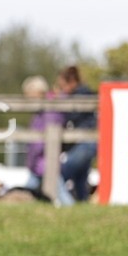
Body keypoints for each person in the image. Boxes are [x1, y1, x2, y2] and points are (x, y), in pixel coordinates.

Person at [20, 75, 72, 206]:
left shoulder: (49, 110)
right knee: (29, 193)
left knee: (59, 193)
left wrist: (34, 158)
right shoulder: (42, 111)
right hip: (39, 163)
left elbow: (41, 141)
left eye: (29, 94)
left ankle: (74, 211)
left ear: (38, 93)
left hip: (44, 162)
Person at [56, 65, 98, 202]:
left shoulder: (79, 97)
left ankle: (66, 203)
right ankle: (82, 203)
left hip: (85, 143)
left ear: (72, 82)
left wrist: (59, 100)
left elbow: (70, 116)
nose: (62, 90)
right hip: (86, 143)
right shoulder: (85, 94)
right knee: (80, 179)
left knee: (61, 174)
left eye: (63, 86)